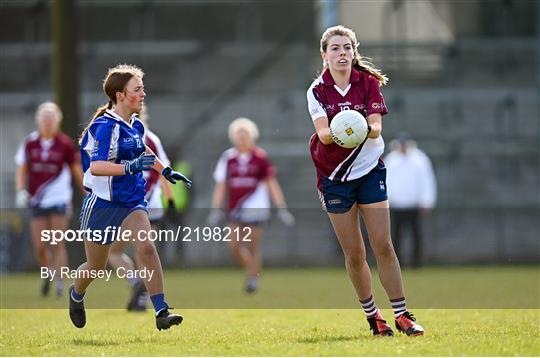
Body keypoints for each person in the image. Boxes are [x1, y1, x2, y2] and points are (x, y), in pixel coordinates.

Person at [306, 25, 424, 336]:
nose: (341, 53)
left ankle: (402, 314)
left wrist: (354, 125)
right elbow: (323, 134)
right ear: (325, 55)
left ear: (354, 51)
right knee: (355, 254)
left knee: (383, 245)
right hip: (334, 177)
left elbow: (375, 127)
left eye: (347, 47)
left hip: (369, 171)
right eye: (335, 48)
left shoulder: (368, 83)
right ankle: (374, 317)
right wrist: (344, 128)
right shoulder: (317, 90)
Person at [71, 64, 192, 331]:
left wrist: (165, 170)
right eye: (137, 89)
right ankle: (76, 294)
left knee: (146, 248)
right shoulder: (105, 126)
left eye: (142, 88)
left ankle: (161, 311)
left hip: (132, 201)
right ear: (120, 95)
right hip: (102, 204)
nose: (143, 93)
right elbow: (97, 167)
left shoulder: (135, 124)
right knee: (96, 267)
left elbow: (144, 149)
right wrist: (131, 166)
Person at [208, 117, 294, 293]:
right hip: (235, 208)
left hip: (257, 208)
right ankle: (253, 272)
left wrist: (281, 207)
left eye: (245, 134)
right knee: (233, 245)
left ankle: (252, 279)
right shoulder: (228, 158)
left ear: (252, 136)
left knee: (253, 245)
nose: (242, 138)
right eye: (239, 134)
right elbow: (222, 185)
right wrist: (215, 209)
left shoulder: (260, 157)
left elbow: (271, 183)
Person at [107, 105, 176, 312]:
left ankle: (135, 283)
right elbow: (165, 171)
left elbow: (162, 168)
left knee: (114, 251)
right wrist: (170, 202)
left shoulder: (117, 137)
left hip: (130, 204)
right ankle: (140, 294)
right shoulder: (151, 139)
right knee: (142, 251)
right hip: (148, 205)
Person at [14, 102, 84, 297]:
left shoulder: (64, 145)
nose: (47, 122)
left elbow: (76, 171)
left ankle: (60, 284)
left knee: (56, 242)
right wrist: (21, 190)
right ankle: (48, 273)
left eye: (51, 118)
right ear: (38, 120)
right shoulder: (30, 143)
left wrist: (88, 192)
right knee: (39, 246)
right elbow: (22, 170)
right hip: (37, 200)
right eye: (44, 118)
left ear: (57, 120)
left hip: (59, 200)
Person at [384, 132, 437, 268]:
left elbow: (427, 180)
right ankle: (397, 264)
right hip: (396, 205)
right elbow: (385, 181)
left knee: (416, 234)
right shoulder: (391, 159)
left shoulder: (420, 159)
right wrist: (385, 201)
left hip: (414, 205)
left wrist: (427, 201)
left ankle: (416, 262)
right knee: (396, 236)